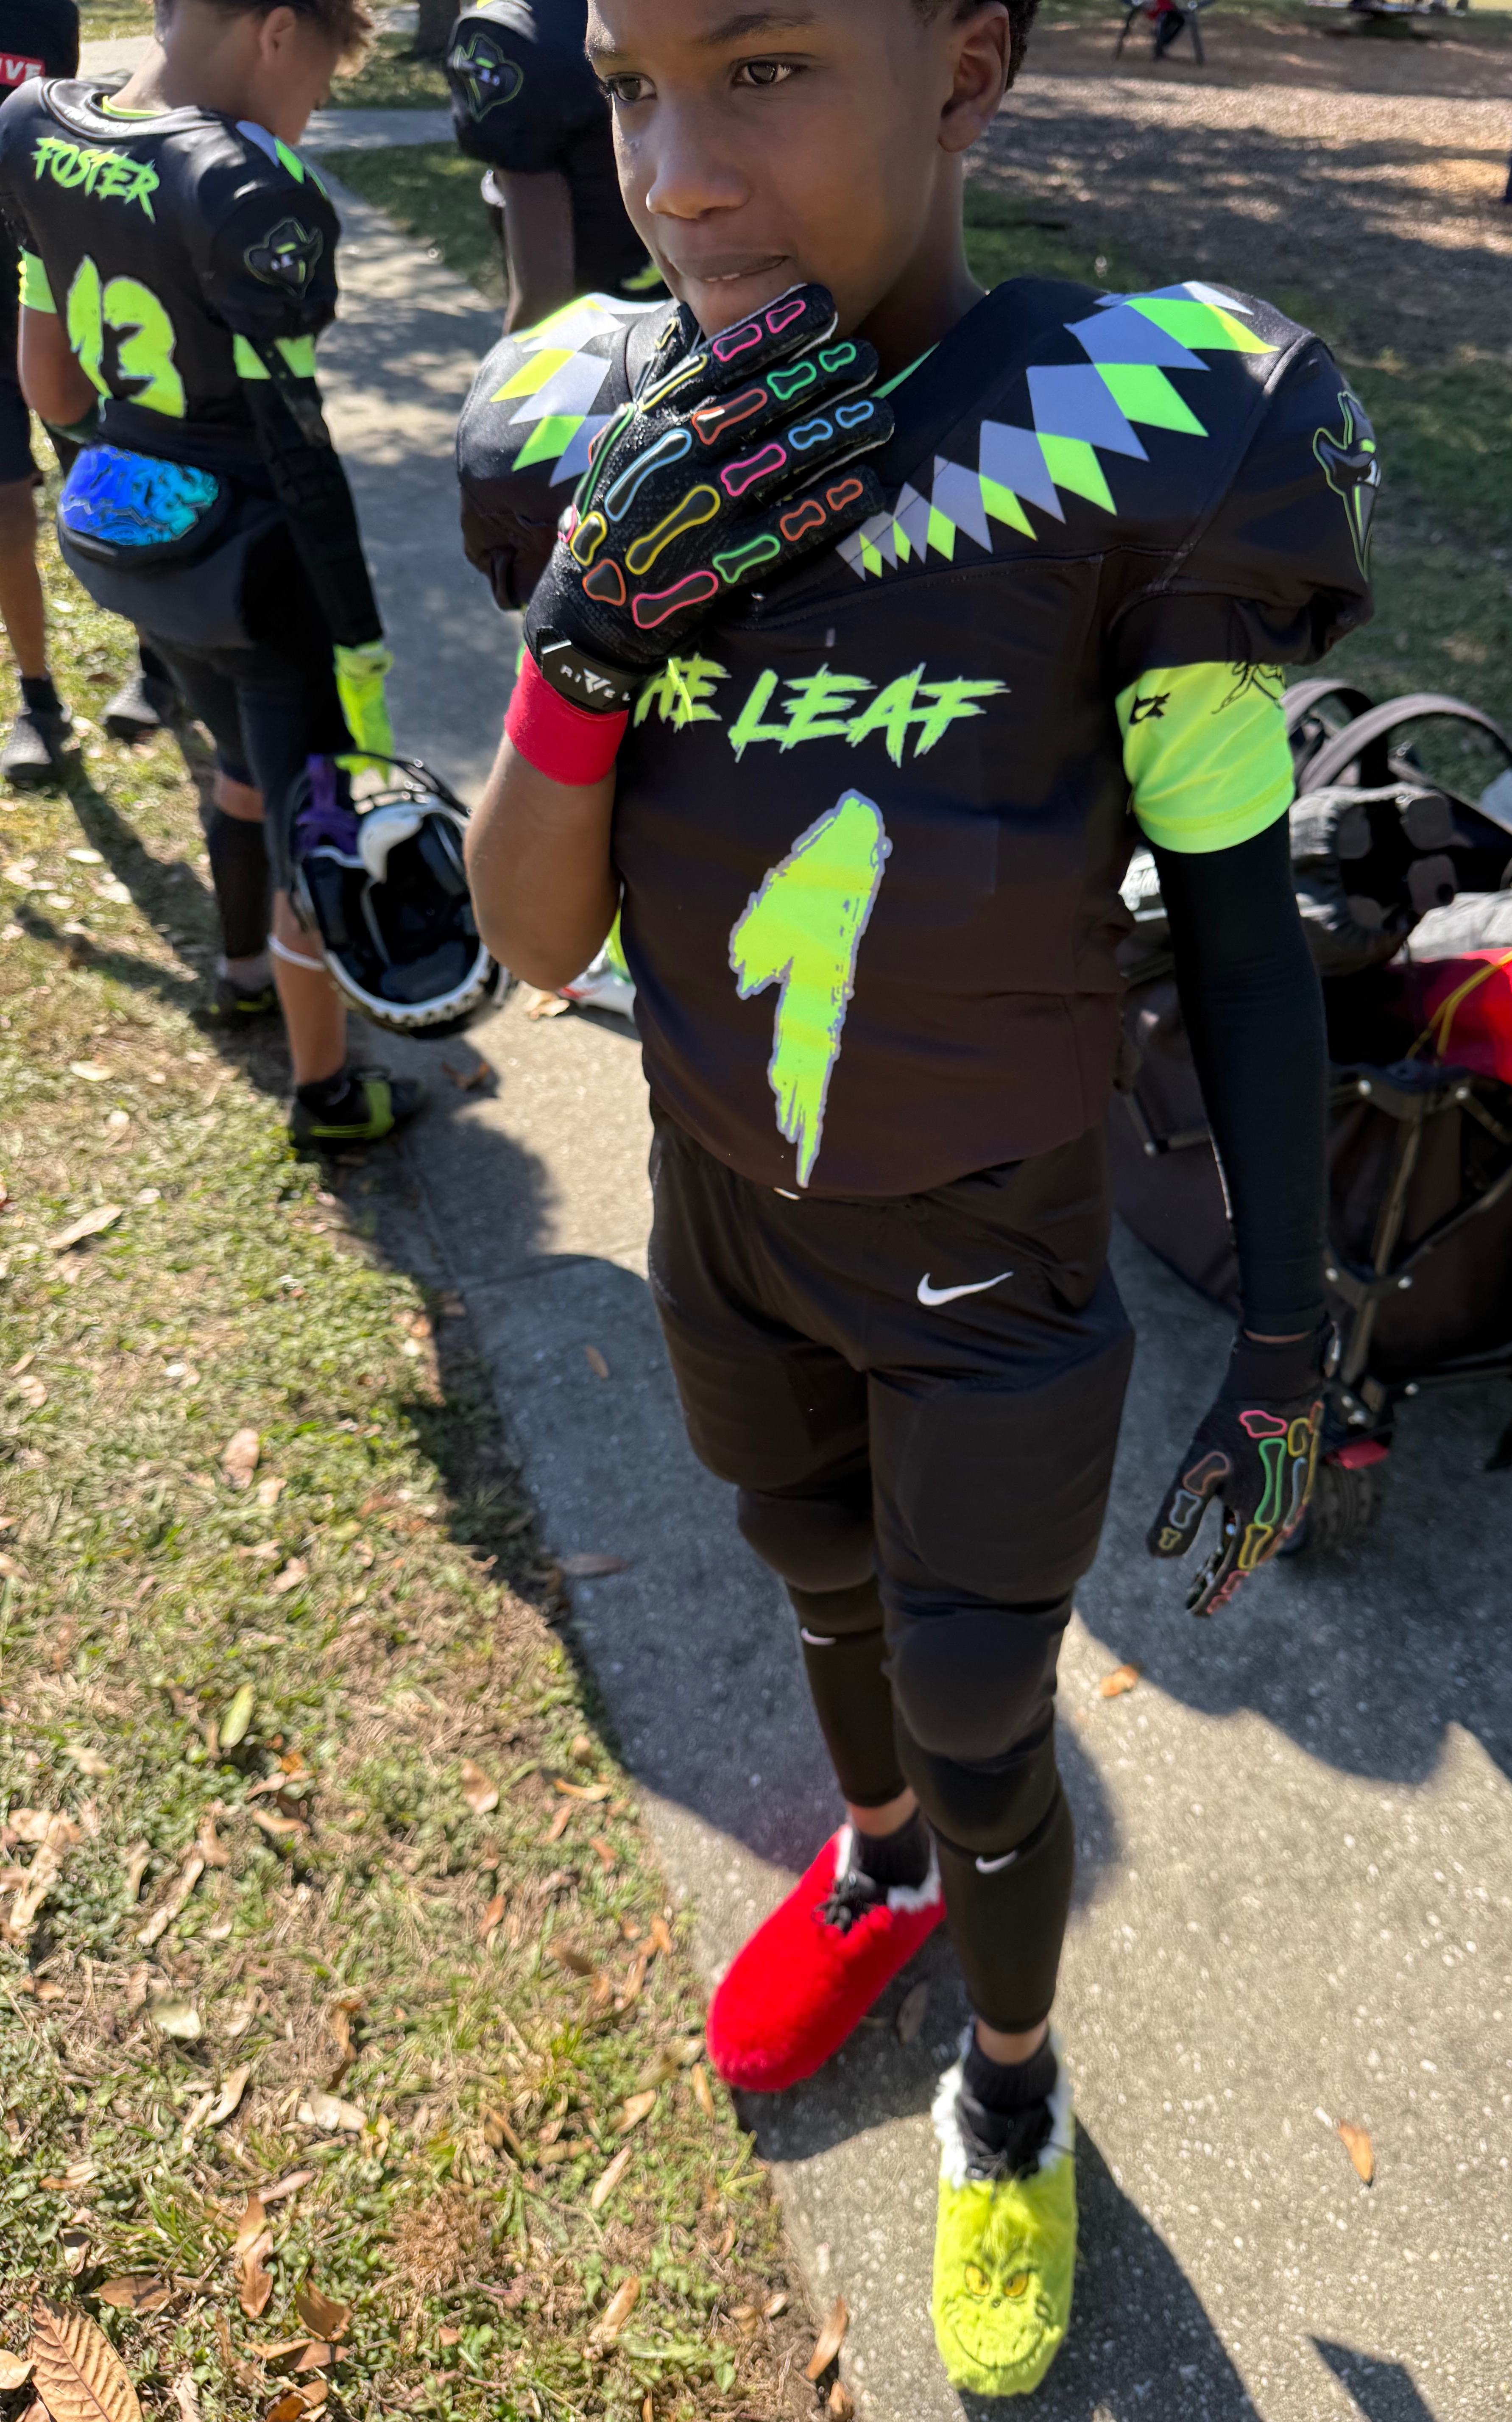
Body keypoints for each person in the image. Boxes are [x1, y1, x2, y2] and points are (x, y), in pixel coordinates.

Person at [467, 0, 1373, 2392]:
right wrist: (585, 631)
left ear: (963, 70)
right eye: (630, 84)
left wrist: (1291, 1335)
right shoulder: (615, 428)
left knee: (985, 1706)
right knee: (815, 1581)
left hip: (992, 1252)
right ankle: (873, 1857)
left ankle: (1015, 2080)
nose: (675, 170)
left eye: (763, 68)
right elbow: (535, 941)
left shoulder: (1134, 438)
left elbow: (1246, 941)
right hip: (722, 1201)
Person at [0, 0, 422, 1141]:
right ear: (279, 30)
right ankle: (326, 1093)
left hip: (131, 536)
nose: (308, 117)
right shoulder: (247, 188)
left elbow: (51, 390)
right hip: (258, 562)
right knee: (311, 816)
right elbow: (295, 445)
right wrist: (352, 628)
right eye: (318, 88)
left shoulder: (34, 126)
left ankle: (240, 973)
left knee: (238, 761)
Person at [445, 0, 662, 331]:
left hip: (597, 334)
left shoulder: (512, 36)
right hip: (704, 314)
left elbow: (543, 300)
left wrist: (514, 363)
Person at [0, 0, 76, 787]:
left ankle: (160, 668)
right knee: (6, 515)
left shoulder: (47, 14)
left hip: (55, 298)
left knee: (106, 491)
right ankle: (38, 699)